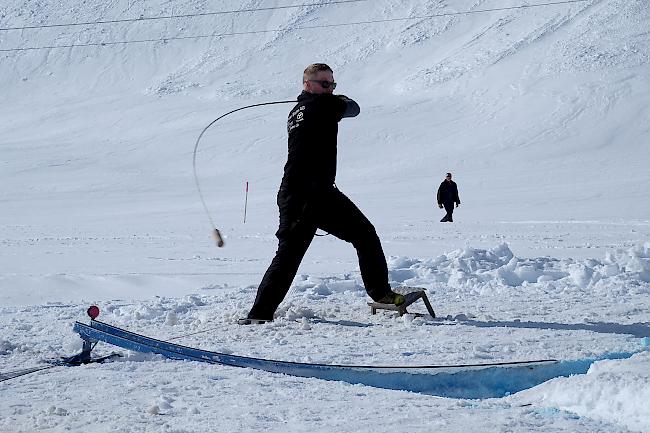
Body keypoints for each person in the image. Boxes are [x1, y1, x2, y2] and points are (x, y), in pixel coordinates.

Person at [239, 63, 404, 324]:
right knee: (290, 255)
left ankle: (381, 293)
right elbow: (354, 108)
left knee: (364, 235)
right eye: (325, 84)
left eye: (333, 84)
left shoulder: (297, 111)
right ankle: (258, 315)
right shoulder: (323, 106)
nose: (330, 88)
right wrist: (340, 98)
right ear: (308, 84)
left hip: (314, 194)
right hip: (304, 196)